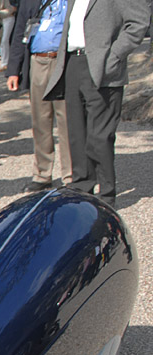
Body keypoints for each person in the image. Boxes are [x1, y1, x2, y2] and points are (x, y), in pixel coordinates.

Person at [43, 0, 150, 207]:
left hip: (103, 67)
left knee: (100, 136)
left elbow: (139, 22)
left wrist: (114, 55)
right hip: (73, 63)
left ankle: (106, 195)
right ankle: (82, 188)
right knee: (76, 132)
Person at [6, 0, 71, 192]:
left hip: (64, 61)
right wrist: (13, 71)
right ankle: (42, 174)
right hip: (38, 61)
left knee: (67, 120)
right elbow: (19, 32)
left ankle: (71, 175)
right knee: (40, 120)